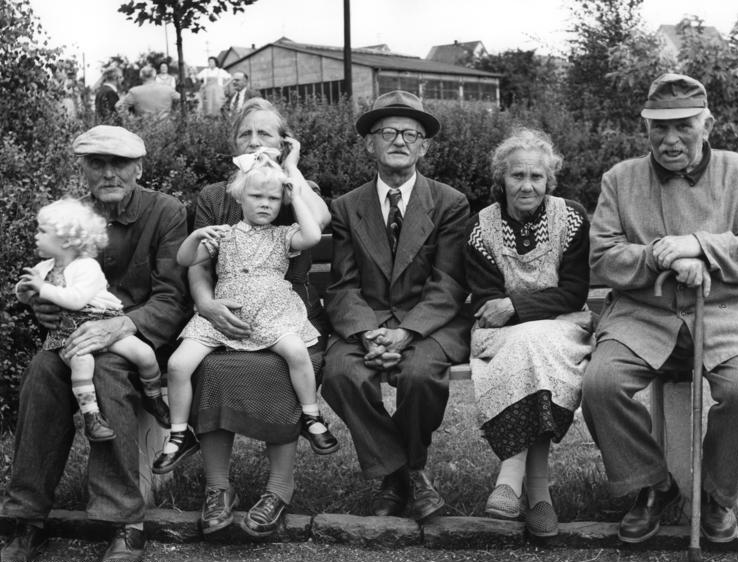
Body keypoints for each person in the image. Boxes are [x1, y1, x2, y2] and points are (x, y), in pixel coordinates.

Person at [581, 73, 738, 545]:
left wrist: (698, 247)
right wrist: (657, 256)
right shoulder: (620, 179)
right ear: (646, 128)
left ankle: (716, 495)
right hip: (643, 315)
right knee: (600, 385)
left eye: (683, 127)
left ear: (707, 125)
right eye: (658, 128)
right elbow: (603, 256)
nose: (670, 140)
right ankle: (652, 485)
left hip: (724, 313)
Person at [1, 125, 190, 562]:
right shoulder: (73, 215)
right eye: (97, 163)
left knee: (107, 372)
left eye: (119, 163)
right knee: (41, 373)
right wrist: (44, 308)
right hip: (76, 337)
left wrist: (120, 326)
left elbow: (171, 297)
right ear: (83, 168)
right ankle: (26, 519)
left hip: (140, 341)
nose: (109, 173)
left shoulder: (166, 212)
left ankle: (125, 522)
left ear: (138, 167)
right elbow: (51, 278)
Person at [322, 90, 471, 521]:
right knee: (341, 373)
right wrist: (368, 332)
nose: (400, 140)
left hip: (429, 325)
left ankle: (398, 477)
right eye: (388, 131)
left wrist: (406, 332)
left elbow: (448, 283)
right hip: (366, 322)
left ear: (424, 146)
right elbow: (343, 285)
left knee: (421, 375)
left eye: (411, 133)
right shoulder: (347, 207)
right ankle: (406, 472)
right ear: (370, 143)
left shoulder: (449, 202)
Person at [186, 97, 332, 538]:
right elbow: (197, 265)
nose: (255, 142)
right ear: (234, 143)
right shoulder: (216, 195)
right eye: (246, 134)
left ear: (284, 141)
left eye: (265, 134)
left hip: (288, 317)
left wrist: (293, 169)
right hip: (223, 312)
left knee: (276, 366)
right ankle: (218, 489)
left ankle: (278, 489)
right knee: (210, 366)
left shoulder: (293, 190)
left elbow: (319, 221)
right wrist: (206, 305)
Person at [152, 147, 337, 476]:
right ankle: (179, 434)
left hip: (271, 314)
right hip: (225, 318)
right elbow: (183, 261)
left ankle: (312, 416)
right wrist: (196, 236)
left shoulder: (284, 236)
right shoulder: (221, 235)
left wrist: (295, 198)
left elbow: (312, 235)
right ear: (239, 197)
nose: (265, 204)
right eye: (256, 196)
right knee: (179, 364)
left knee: (296, 352)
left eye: (273, 199)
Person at [465, 128, 591, 536]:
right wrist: (518, 311)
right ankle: (539, 496)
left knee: (535, 344)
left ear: (548, 180)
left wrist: (518, 305)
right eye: (517, 176)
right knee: (529, 348)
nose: (527, 185)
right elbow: (487, 302)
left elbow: (573, 291)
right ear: (502, 178)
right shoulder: (480, 229)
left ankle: (512, 476)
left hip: (562, 328)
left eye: (537, 177)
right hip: (503, 336)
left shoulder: (570, 218)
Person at [15, 198, 170, 442]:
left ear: (66, 240)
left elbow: (76, 300)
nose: (36, 235)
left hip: (105, 323)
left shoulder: (86, 267)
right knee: (82, 364)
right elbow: (28, 292)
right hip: (70, 334)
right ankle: (92, 418)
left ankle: (153, 397)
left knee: (144, 354)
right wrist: (26, 293)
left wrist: (43, 289)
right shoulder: (44, 268)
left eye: (42, 231)